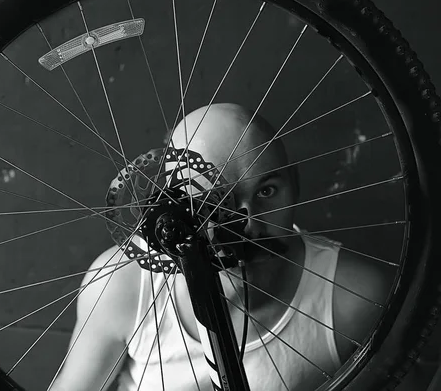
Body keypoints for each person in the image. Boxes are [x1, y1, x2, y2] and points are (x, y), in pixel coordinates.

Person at [49, 103, 393, 391]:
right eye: (212, 201)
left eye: (267, 191)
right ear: (172, 206)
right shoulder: (122, 284)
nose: (248, 224)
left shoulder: (352, 298)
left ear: (296, 186)